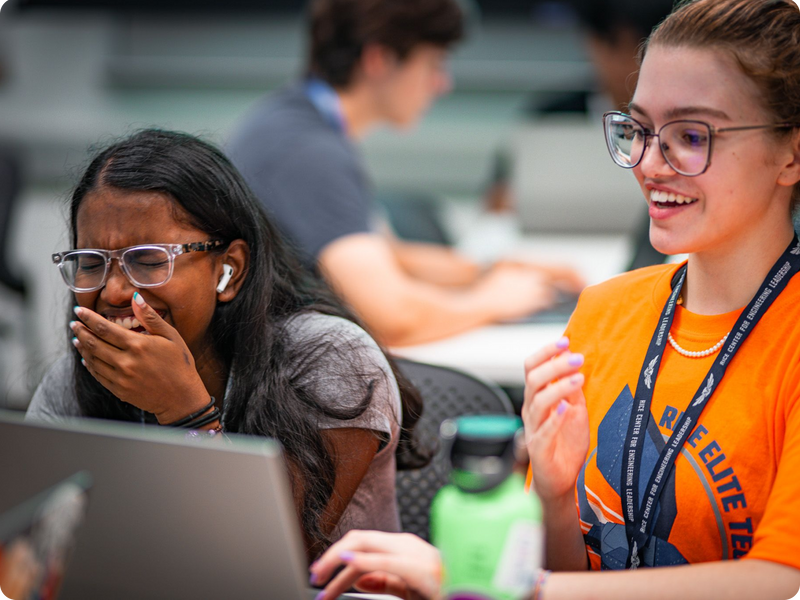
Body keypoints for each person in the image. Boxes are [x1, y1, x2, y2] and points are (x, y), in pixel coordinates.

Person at [308, 0, 800, 597]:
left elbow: (781, 581)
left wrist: (491, 585)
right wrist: (556, 496)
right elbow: (567, 580)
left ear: (790, 153)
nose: (648, 164)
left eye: (691, 136)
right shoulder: (604, 313)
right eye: (638, 130)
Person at [25, 129, 430, 561]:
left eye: (148, 260)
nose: (114, 292)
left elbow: (270, 560)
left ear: (229, 270)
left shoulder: (332, 357)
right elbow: (28, 544)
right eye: (90, 263)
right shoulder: (81, 374)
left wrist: (185, 414)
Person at [227, 0, 583, 348]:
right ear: (379, 59)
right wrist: (492, 301)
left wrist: (491, 272)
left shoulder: (292, 123)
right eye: (433, 64)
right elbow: (393, 319)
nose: (443, 83)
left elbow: (384, 254)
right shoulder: (307, 151)